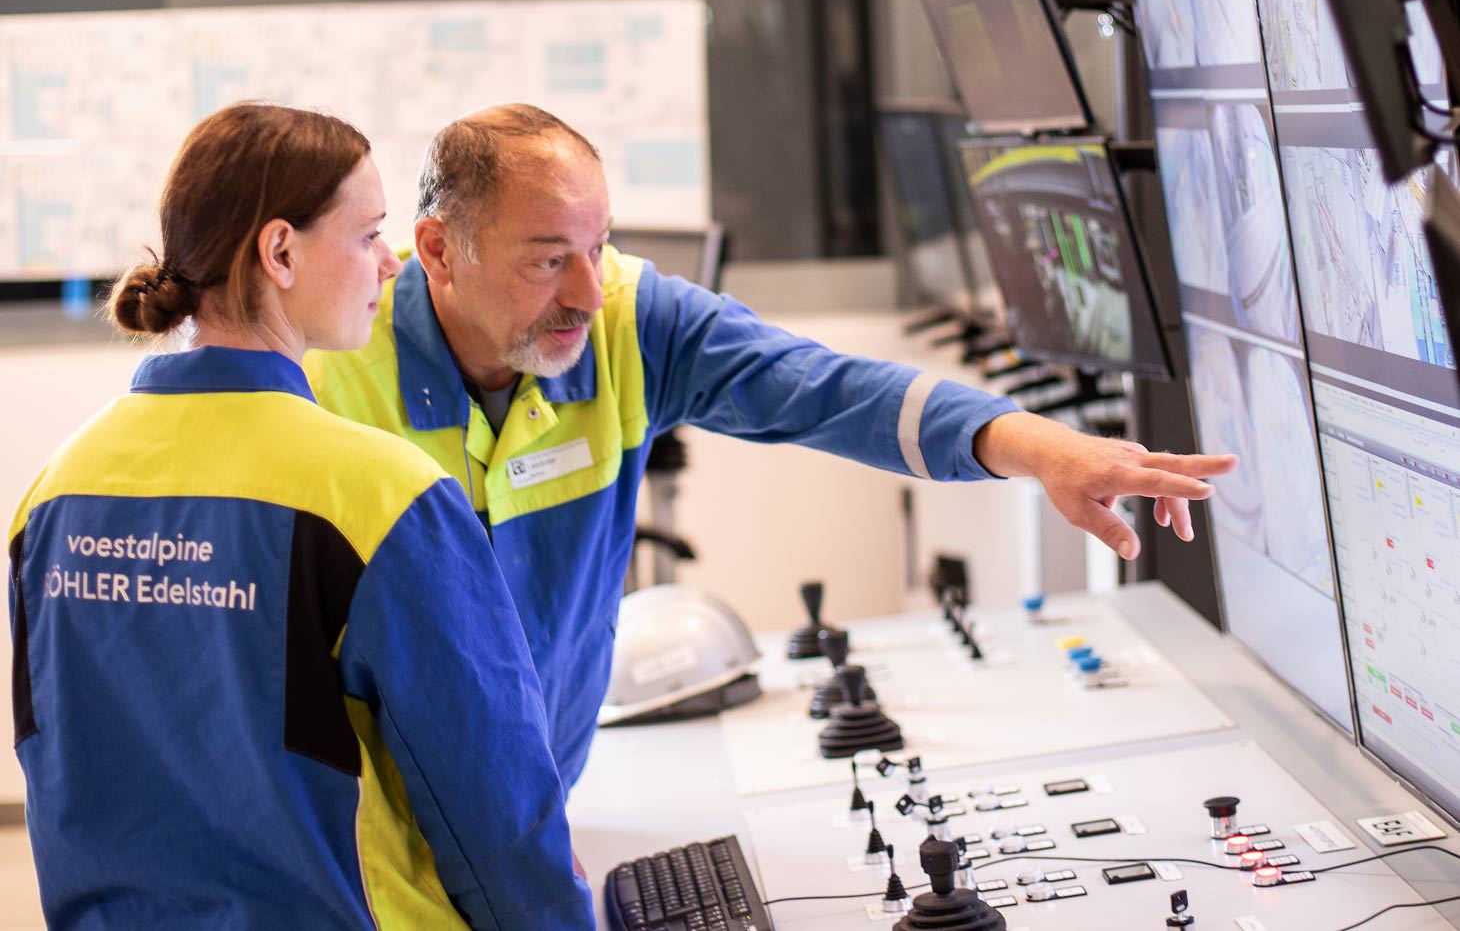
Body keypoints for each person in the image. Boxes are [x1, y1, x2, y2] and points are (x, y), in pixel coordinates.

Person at [305, 103, 1237, 788]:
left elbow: (824, 390)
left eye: (599, 246)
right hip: (375, 834)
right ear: (437, 248)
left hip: (543, 796)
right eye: (549, 258)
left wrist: (1032, 445)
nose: (589, 291)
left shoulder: (631, 322)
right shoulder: (330, 369)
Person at [7, 103, 593, 930]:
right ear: (280, 252)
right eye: (367, 235)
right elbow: (496, 807)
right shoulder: (381, 496)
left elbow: (60, 776)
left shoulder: (52, 495)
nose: (390, 265)